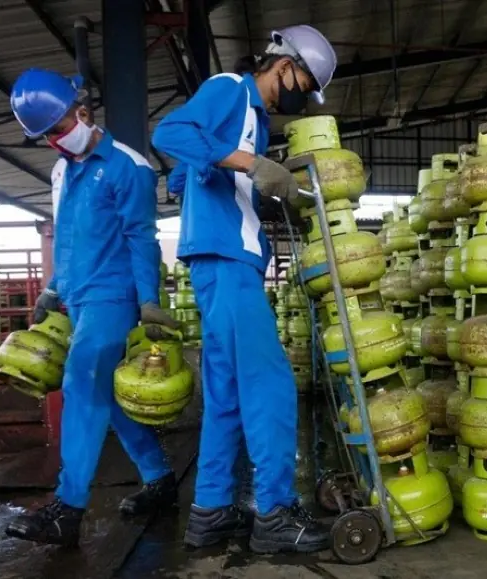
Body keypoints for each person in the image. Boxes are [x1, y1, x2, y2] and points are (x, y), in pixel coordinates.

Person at [151, 25, 336, 554]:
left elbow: (186, 177)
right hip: (226, 262)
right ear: (284, 66)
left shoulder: (253, 119)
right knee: (271, 384)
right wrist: (253, 165)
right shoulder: (231, 88)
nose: (302, 97)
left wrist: (259, 191)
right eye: (304, 83)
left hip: (225, 263)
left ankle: (209, 514)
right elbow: (170, 134)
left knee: (228, 397)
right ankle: (275, 514)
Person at [4, 68, 181, 547]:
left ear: (82, 112)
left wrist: (147, 299)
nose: (55, 142)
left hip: (115, 295)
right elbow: (68, 238)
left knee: (81, 385)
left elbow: (141, 236)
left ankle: (68, 509)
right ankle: (160, 479)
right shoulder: (62, 169)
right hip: (79, 297)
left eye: (59, 129)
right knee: (110, 400)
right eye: (45, 137)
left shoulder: (129, 165)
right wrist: (52, 289)